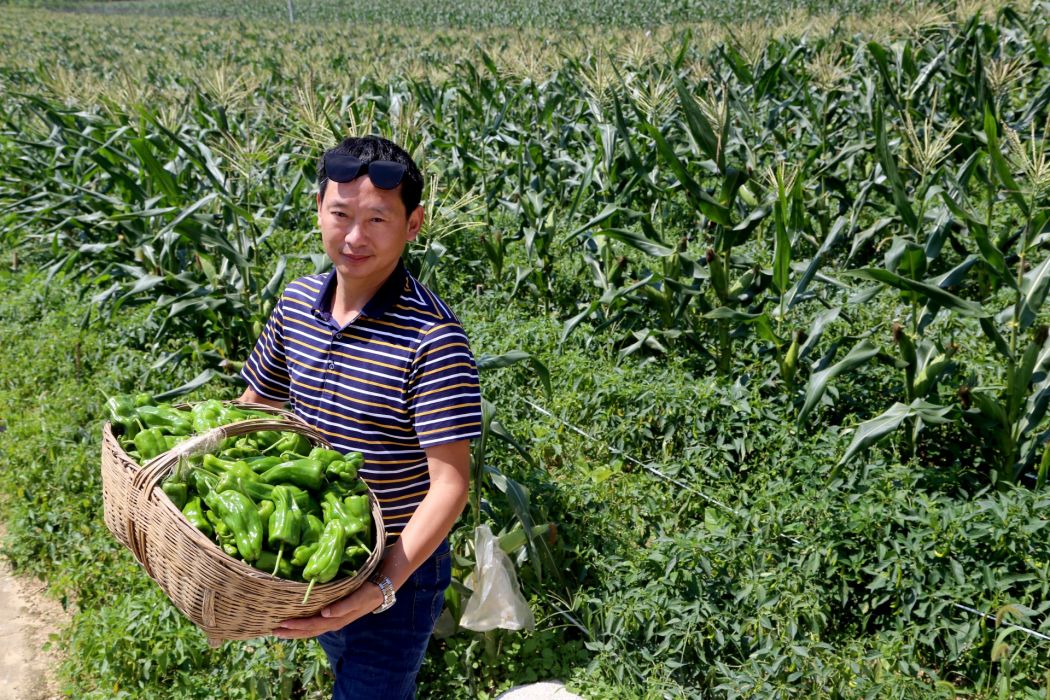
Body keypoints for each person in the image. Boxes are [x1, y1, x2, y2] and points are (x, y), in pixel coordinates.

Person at [237, 135, 482, 699]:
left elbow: (450, 485)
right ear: (318, 208)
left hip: (397, 577)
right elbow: (255, 406)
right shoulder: (296, 304)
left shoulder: (433, 339)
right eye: (341, 214)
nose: (353, 238)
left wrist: (379, 589)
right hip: (326, 559)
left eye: (377, 219)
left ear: (413, 224)